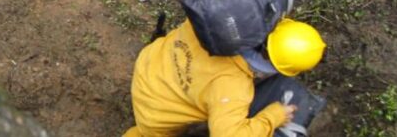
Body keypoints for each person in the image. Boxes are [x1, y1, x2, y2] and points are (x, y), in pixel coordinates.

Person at [125, 17, 327, 137]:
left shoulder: (215, 21)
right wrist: (273, 117)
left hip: (149, 67)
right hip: (155, 118)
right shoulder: (233, 87)